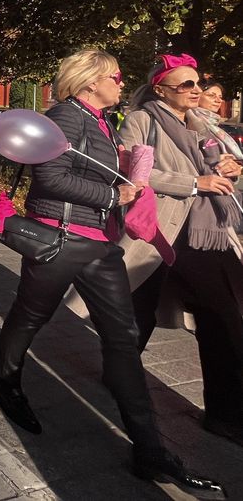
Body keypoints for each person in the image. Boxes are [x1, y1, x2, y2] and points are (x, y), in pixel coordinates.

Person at [0, 49, 225, 498]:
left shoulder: (99, 120)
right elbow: (50, 180)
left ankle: (149, 449)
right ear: (90, 80)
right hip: (59, 238)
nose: (122, 82)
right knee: (30, 315)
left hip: (96, 243)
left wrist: (125, 178)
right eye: (115, 76)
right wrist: (114, 194)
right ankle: (5, 379)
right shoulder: (66, 115)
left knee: (122, 336)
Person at [122, 54, 243, 450]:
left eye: (197, 83)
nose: (196, 90)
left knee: (224, 318)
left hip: (210, 234)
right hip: (165, 230)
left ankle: (225, 415)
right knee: (138, 315)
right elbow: (132, 172)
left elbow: (225, 171)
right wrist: (196, 182)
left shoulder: (206, 124)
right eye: (185, 85)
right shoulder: (143, 120)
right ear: (161, 89)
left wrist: (232, 168)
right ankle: (119, 376)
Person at [193, 81, 243, 161]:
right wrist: (216, 159)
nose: (218, 100)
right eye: (211, 95)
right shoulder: (191, 121)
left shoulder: (214, 125)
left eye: (220, 97)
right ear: (196, 96)